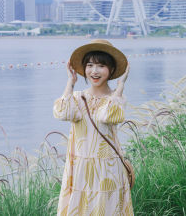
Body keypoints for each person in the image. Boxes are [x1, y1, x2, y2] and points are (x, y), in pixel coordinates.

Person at [53, 39, 133, 215]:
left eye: (101, 66)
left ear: (111, 70)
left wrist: (120, 86)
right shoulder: (77, 97)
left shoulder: (116, 99)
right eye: (89, 65)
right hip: (80, 168)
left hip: (108, 169)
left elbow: (108, 115)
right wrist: (70, 82)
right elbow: (62, 112)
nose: (94, 71)